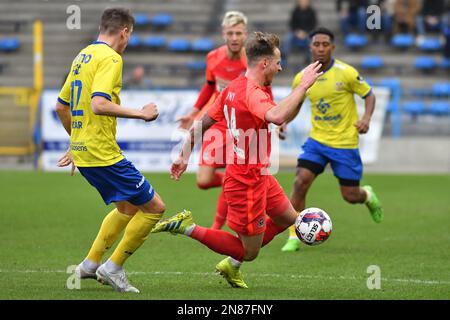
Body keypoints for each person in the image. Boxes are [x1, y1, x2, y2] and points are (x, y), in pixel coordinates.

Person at [150, 32, 322, 288]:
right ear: (264, 63)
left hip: (260, 175)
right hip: (246, 183)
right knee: (249, 252)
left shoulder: (234, 87)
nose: (280, 66)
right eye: (277, 62)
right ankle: (187, 227)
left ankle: (231, 266)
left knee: (290, 219)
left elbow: (204, 122)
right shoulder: (252, 93)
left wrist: (184, 154)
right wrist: (303, 85)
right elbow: (275, 116)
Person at [55, 7, 164, 293]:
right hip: (102, 153)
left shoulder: (83, 55)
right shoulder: (111, 58)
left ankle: (89, 266)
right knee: (154, 208)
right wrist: (141, 113)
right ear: (124, 32)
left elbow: (60, 105)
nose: (128, 42)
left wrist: (75, 142)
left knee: (127, 207)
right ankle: (112, 268)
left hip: (85, 151)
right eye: (130, 36)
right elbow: (99, 105)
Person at [280, 27, 384, 253]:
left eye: (324, 44)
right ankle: (294, 235)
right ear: (310, 47)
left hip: (344, 143)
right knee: (299, 183)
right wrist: (285, 121)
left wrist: (366, 118)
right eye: (316, 44)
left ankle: (366, 195)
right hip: (317, 141)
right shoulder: (302, 77)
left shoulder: (345, 72)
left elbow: (369, 95)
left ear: (332, 47)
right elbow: (296, 104)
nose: (320, 48)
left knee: (350, 195)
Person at [176, 11, 248, 230]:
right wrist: (194, 112)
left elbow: (266, 90)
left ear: (245, 34)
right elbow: (209, 86)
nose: (234, 37)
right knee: (204, 181)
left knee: (231, 174)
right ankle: (238, 183)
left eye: (239, 33)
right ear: (223, 34)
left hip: (241, 125)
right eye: (230, 33)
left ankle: (216, 228)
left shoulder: (252, 61)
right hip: (217, 122)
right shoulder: (213, 58)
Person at [282, 0, 317, 66]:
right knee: (288, 39)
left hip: (307, 33)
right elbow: (292, 24)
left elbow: (313, 24)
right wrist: (297, 32)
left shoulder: (312, 12)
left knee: (311, 40)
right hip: (296, 33)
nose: (303, 2)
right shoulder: (295, 11)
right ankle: (284, 58)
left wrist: (305, 32)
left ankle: (308, 58)